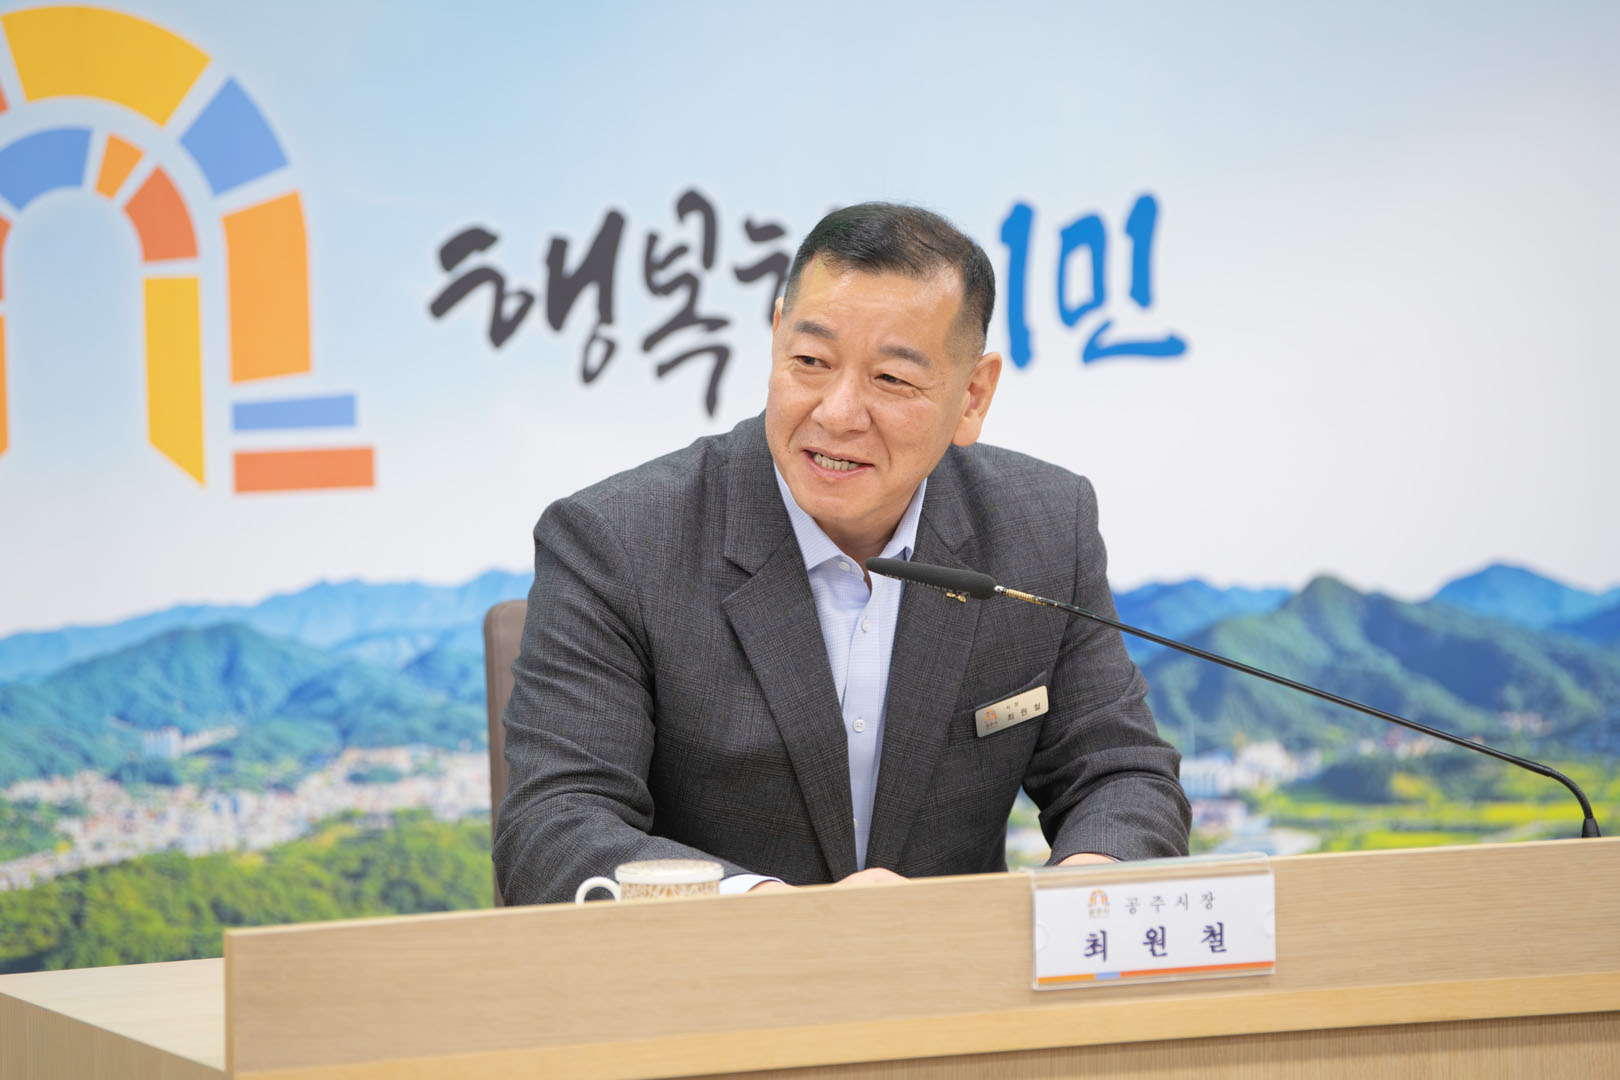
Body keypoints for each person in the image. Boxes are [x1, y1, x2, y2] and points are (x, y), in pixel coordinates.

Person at [494, 203, 1189, 904]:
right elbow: (555, 827)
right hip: (717, 967)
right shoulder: (617, 541)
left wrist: (1075, 904)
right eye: (810, 362)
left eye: (891, 379)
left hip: (954, 968)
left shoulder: (1043, 526)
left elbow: (1120, 775)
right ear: (776, 338)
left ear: (972, 396)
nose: (836, 413)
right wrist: (779, 916)